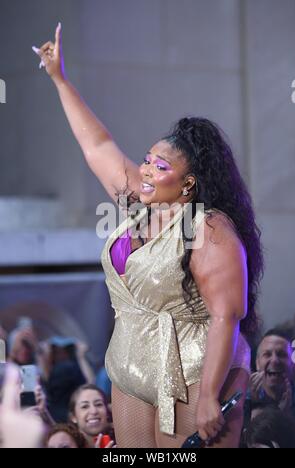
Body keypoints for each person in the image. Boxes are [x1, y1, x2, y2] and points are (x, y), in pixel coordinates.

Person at [33, 24, 263, 448]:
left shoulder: (208, 227)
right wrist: (60, 79)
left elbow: (225, 315)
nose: (146, 170)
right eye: (147, 160)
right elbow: (97, 146)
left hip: (194, 369)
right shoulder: (137, 205)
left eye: (161, 167)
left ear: (189, 182)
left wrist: (212, 394)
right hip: (130, 367)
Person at [246, 330, 295, 423]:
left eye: (281, 354)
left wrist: (286, 418)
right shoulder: (242, 402)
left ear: (294, 365)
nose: (275, 360)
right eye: (267, 354)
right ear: (257, 364)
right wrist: (255, 406)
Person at [69, 384, 115, 448]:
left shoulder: (123, 437)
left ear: (107, 412)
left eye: (98, 404)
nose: (94, 411)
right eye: (85, 406)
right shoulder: (67, 444)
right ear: (73, 417)